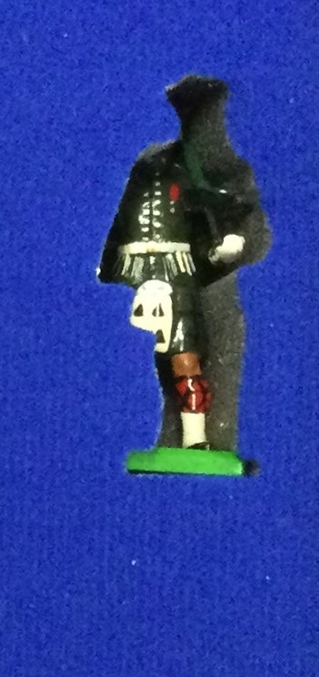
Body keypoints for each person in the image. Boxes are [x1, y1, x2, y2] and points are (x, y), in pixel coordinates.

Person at [99, 75, 264, 459]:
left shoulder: (212, 171)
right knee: (158, 354)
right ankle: (176, 433)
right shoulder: (150, 165)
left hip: (183, 273)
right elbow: (126, 215)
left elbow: (221, 207)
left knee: (187, 356)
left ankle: (195, 436)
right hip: (145, 268)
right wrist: (112, 264)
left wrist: (230, 240)